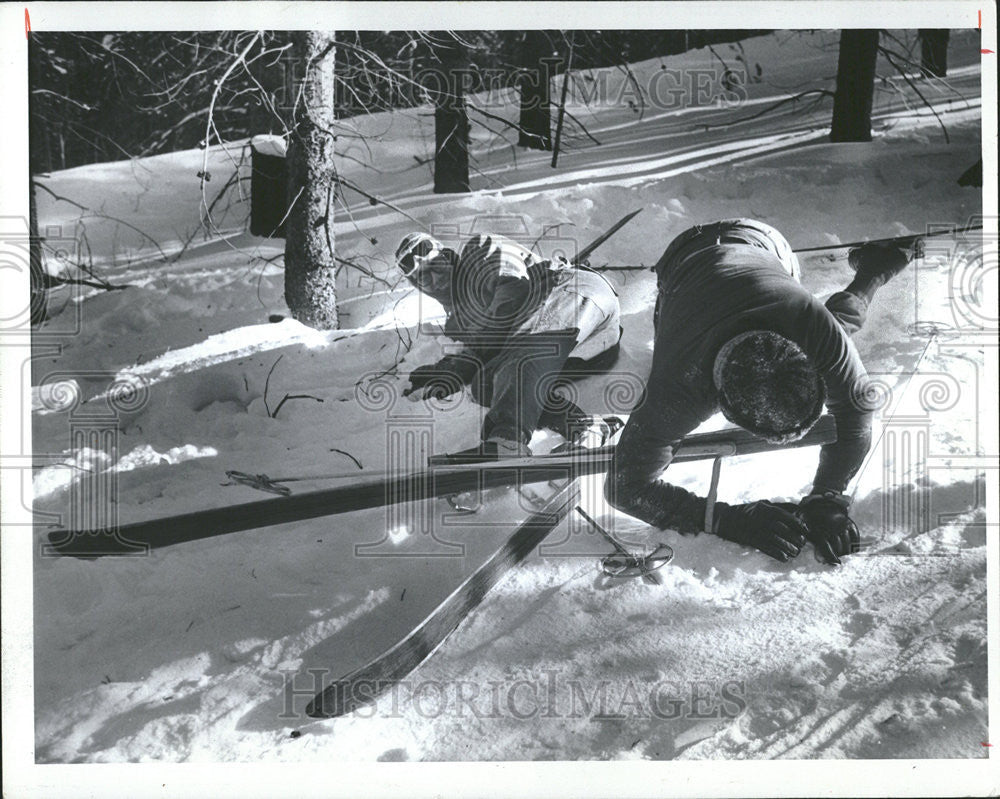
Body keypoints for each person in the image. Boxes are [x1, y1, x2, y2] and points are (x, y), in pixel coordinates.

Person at [605, 218, 920, 565]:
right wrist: (725, 519)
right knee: (835, 333)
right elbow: (624, 487)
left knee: (835, 336)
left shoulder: (813, 328)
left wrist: (829, 495)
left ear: (804, 357)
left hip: (765, 244)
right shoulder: (681, 387)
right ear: (719, 402)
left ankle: (875, 270)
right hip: (684, 258)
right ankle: (875, 269)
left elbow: (858, 409)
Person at [396, 231, 623, 459]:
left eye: (436, 265)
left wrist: (477, 351)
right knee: (486, 383)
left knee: (524, 349)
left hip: (572, 293)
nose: (435, 278)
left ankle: (507, 441)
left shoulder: (478, 252)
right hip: (579, 355)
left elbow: (513, 292)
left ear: (447, 255)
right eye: (424, 277)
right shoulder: (458, 322)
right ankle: (586, 426)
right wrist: (449, 370)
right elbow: (484, 353)